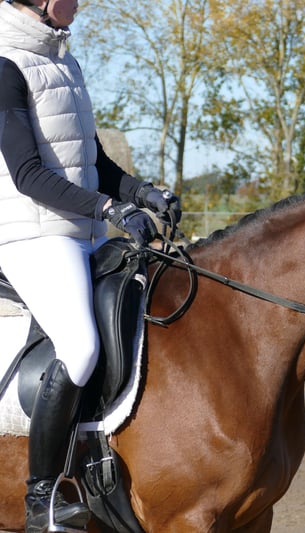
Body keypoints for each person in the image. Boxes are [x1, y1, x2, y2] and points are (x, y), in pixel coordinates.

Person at [0, 0, 180, 530]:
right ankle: (43, 500)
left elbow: (93, 164)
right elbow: (28, 175)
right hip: (31, 234)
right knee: (78, 349)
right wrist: (108, 207)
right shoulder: (6, 64)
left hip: (82, 229)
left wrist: (141, 192)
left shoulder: (65, 63)